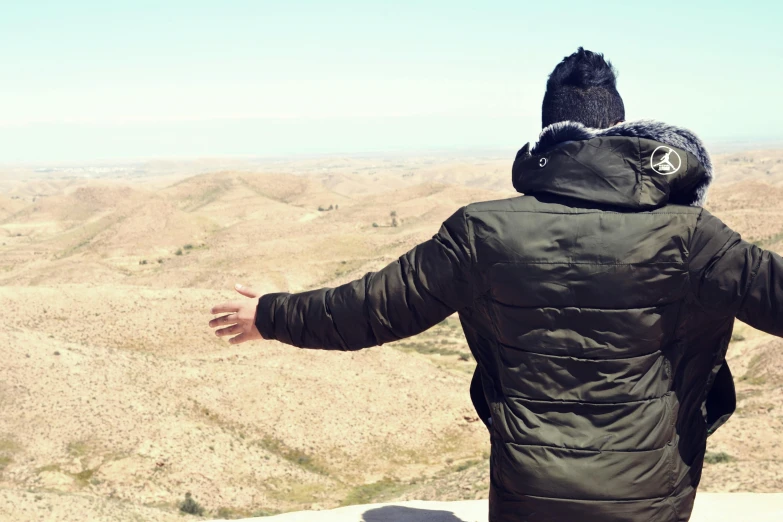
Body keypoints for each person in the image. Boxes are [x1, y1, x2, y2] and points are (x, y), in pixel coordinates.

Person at [208, 48, 783, 522]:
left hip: (526, 493)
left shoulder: (483, 231)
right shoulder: (693, 237)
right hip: (649, 497)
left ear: (548, 136)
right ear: (624, 129)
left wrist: (268, 315)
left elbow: (371, 309)